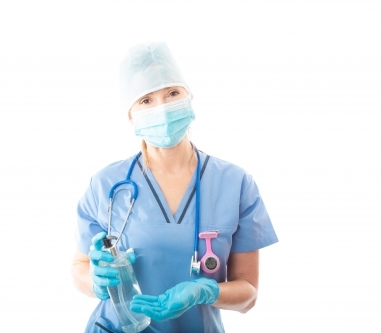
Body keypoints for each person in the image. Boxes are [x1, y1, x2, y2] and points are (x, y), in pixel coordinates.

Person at [71, 42, 278, 333]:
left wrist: (208, 292)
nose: (163, 108)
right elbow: (80, 266)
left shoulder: (236, 183)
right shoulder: (106, 183)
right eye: (145, 100)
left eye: (172, 93)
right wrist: (95, 279)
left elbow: (248, 295)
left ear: (188, 97)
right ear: (130, 115)